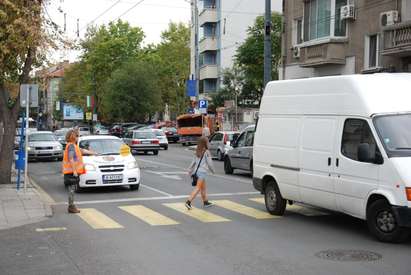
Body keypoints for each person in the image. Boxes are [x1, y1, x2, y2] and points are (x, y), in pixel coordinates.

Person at [62, 129, 94, 213]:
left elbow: (82, 150)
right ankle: (71, 207)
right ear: (73, 137)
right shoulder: (71, 146)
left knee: (71, 190)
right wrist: (75, 171)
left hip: (71, 171)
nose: (78, 137)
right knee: (71, 190)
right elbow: (71, 158)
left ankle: (71, 206)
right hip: (71, 172)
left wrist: (92, 152)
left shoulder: (72, 145)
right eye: (77, 136)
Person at [185, 136, 215, 210]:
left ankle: (205, 202)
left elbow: (193, 162)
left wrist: (189, 170)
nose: (209, 143)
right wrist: (213, 171)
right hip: (202, 172)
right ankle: (188, 202)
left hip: (196, 172)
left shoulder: (197, 151)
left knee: (203, 188)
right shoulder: (206, 152)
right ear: (205, 143)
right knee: (198, 188)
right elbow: (210, 163)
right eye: (208, 142)